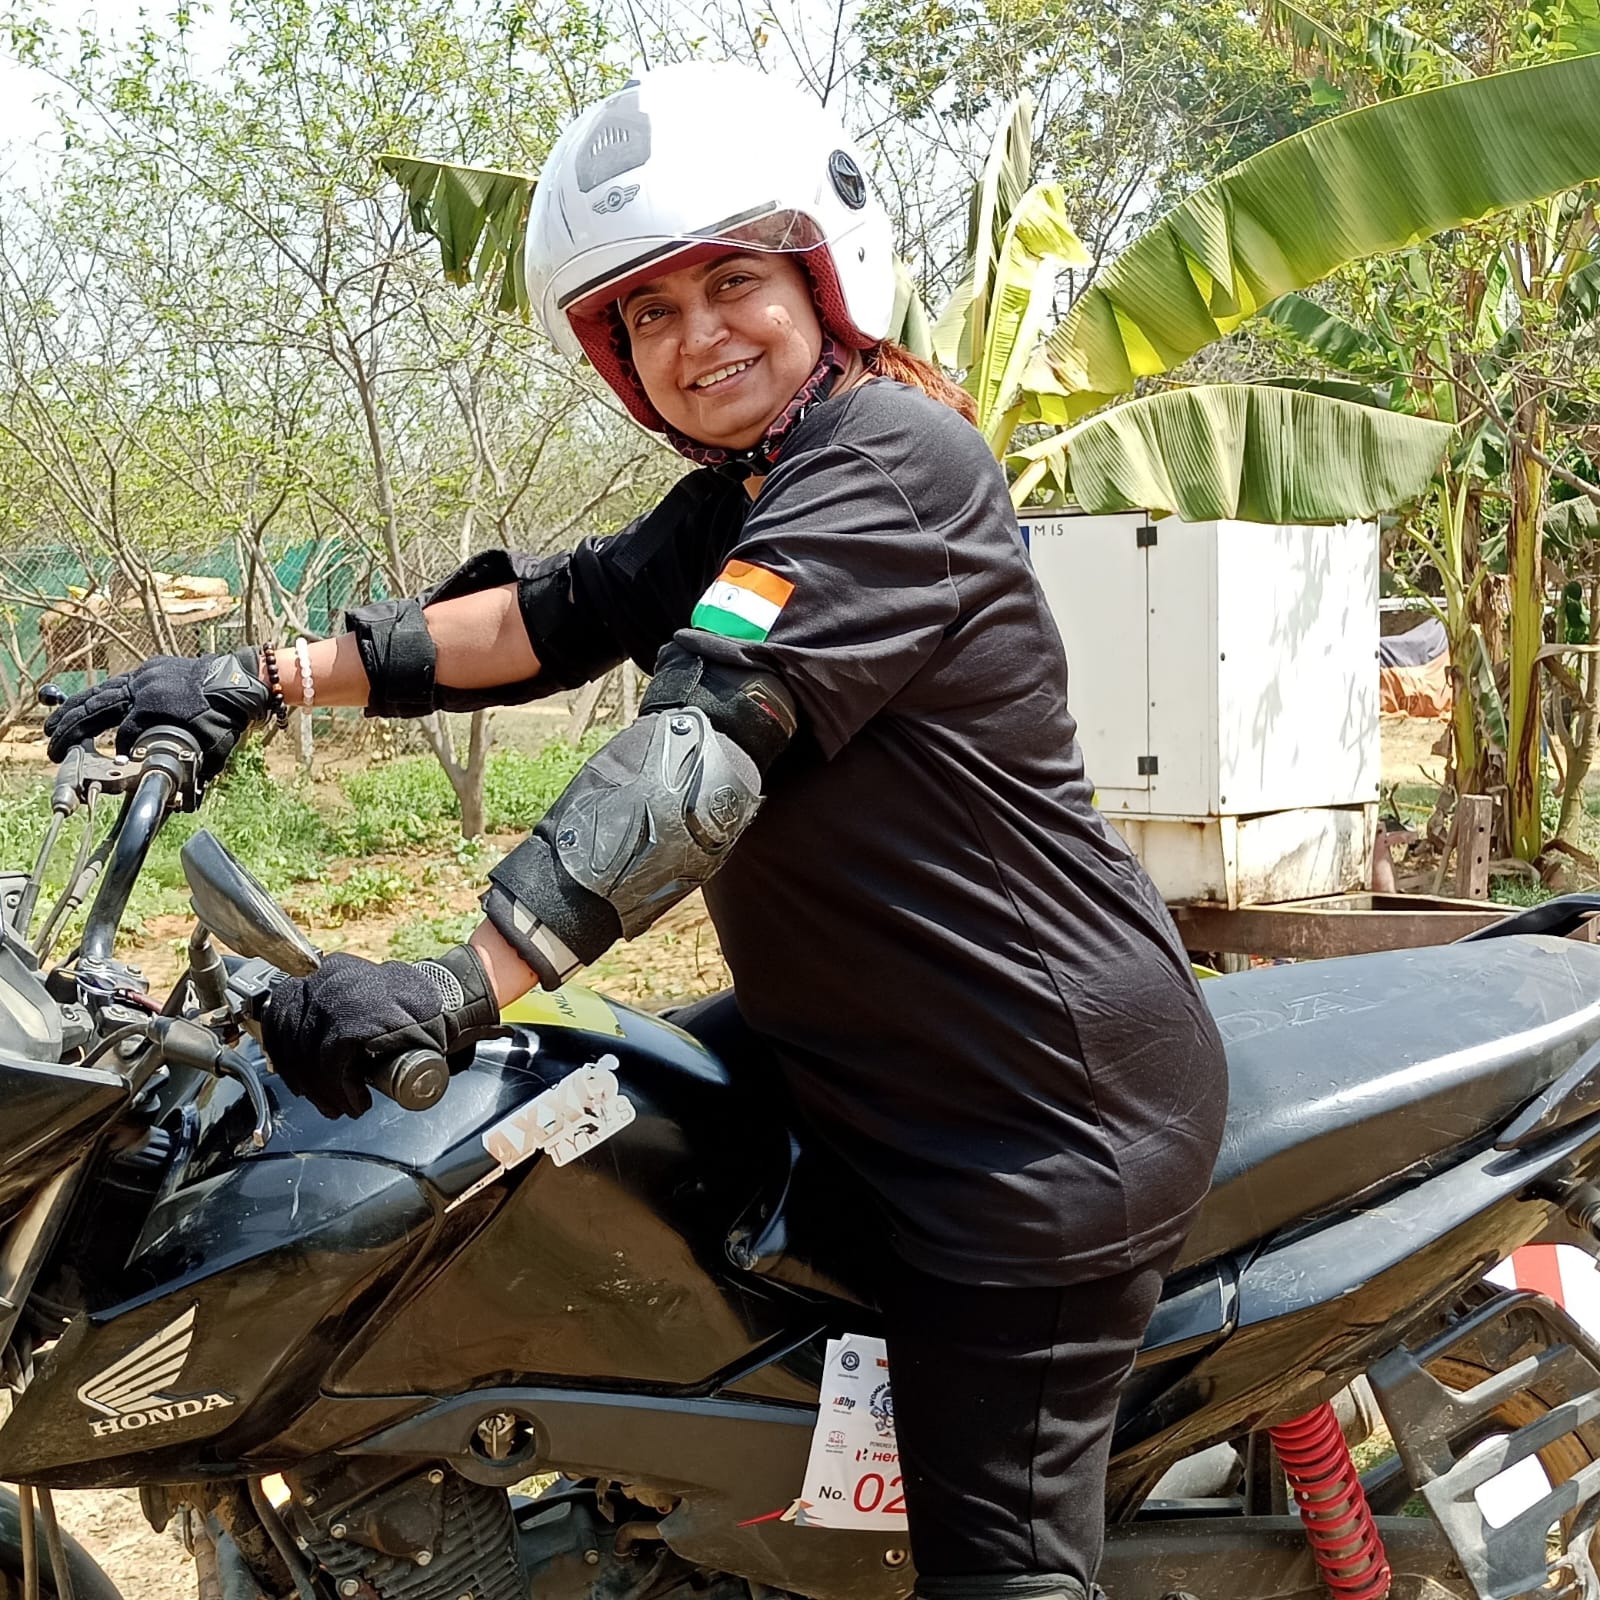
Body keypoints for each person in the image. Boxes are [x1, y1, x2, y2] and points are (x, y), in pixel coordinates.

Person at [44, 62, 1228, 1600]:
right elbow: (556, 614)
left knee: (993, 1570)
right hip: (847, 1052)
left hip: (1029, 1120)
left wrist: (459, 979)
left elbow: (696, 750)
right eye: (647, 315)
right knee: (533, 1155)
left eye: (731, 283)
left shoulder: (890, 461)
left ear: (823, 278)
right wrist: (259, 679)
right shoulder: (748, 491)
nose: (695, 338)